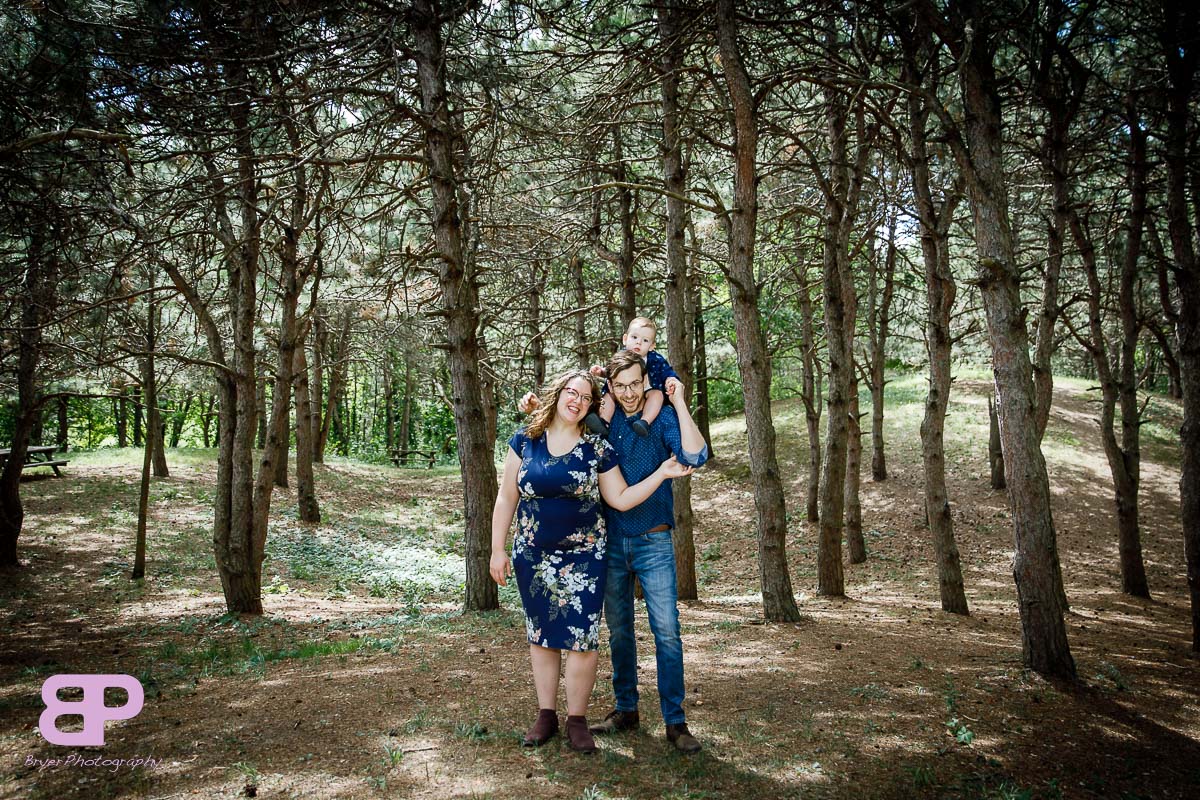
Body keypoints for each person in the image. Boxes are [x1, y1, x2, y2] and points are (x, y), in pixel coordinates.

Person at [491, 369, 695, 754]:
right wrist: (497, 549)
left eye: (586, 397)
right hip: (533, 555)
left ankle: (577, 720)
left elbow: (620, 497)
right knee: (541, 636)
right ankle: (546, 715)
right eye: (572, 392)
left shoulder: (596, 447)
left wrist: (662, 473)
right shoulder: (525, 440)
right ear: (558, 394)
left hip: (584, 558)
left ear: (592, 406)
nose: (578, 401)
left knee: (582, 638)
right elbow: (506, 498)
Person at [584, 316, 683, 439]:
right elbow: (612, 372)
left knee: (657, 395)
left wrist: (671, 380)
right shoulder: (620, 356)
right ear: (625, 339)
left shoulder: (655, 359)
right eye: (634, 337)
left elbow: (667, 372)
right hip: (622, 390)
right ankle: (604, 421)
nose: (638, 342)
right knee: (609, 395)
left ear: (652, 346)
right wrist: (602, 372)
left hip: (648, 389)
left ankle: (644, 422)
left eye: (645, 340)